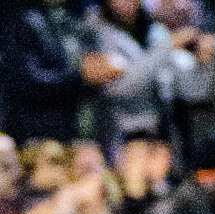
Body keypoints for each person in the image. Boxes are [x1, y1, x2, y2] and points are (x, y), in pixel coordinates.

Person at [81, 0, 215, 158]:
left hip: (162, 131)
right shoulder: (95, 31)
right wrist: (165, 48)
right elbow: (120, 87)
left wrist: (203, 61)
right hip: (120, 135)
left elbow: (192, 93)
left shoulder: (155, 29)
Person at [0, 1, 123, 146]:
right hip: (34, 133)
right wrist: (81, 77)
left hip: (75, 128)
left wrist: (96, 74)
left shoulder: (71, 14)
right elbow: (23, 81)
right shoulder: (15, 15)